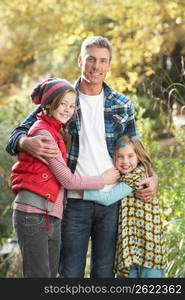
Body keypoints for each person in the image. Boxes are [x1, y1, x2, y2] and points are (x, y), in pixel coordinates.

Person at [6, 36, 158, 278]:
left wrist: (152, 176)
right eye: (90, 60)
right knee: (70, 273)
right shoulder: (63, 98)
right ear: (80, 60)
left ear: (109, 65)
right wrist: (27, 143)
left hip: (111, 199)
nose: (96, 67)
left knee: (104, 273)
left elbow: (135, 150)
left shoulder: (122, 105)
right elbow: (16, 135)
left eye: (102, 61)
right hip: (73, 200)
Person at [10, 77, 120, 278]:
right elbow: (68, 180)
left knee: (50, 276)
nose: (68, 110)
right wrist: (103, 179)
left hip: (50, 214)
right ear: (50, 105)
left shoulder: (57, 131)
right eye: (63, 104)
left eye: (72, 106)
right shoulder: (43, 133)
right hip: (33, 213)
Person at [84, 136, 166, 278]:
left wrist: (81, 190)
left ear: (139, 157)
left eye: (130, 156)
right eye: (119, 157)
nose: (125, 161)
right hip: (135, 245)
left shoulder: (136, 177)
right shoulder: (130, 175)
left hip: (146, 245)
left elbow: (108, 198)